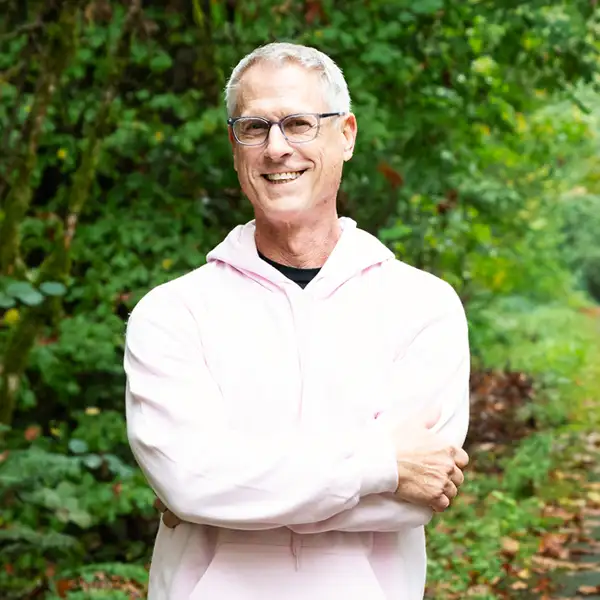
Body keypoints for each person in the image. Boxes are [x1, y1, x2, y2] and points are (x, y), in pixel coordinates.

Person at [124, 42, 470, 600]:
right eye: (254, 127)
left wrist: (231, 490)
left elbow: (412, 499)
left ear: (347, 135)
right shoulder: (171, 314)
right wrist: (384, 463)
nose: (277, 147)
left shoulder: (423, 305)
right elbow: (191, 481)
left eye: (300, 123)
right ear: (236, 145)